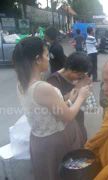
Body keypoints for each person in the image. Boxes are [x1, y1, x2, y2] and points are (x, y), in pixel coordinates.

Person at [13, 37, 90, 180]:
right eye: (47, 55)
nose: (49, 59)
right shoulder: (42, 87)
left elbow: (47, 111)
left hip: (39, 140)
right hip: (54, 142)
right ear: (37, 59)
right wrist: (81, 96)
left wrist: (70, 99)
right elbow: (67, 116)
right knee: (60, 173)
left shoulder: (22, 83)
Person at [47, 52, 91, 143]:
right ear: (70, 70)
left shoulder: (79, 77)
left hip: (78, 120)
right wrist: (78, 88)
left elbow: (87, 103)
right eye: (79, 75)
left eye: (83, 75)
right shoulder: (54, 81)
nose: (81, 77)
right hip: (64, 127)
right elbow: (56, 109)